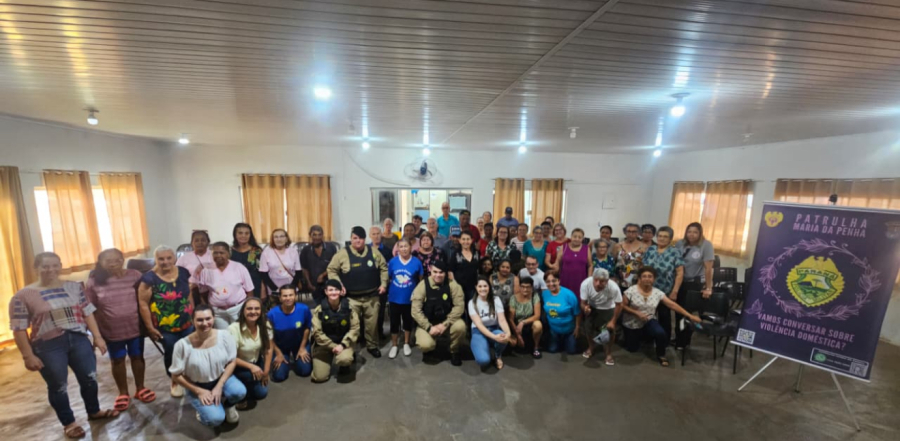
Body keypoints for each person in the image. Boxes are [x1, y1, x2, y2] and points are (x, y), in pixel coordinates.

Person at [11, 252, 120, 439]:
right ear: (36, 268)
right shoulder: (23, 296)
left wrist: (97, 337)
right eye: (45, 266)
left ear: (60, 266)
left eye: (55, 265)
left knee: (90, 378)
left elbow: (87, 313)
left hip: (78, 339)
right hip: (48, 346)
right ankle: (69, 423)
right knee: (58, 386)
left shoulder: (74, 287)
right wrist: (27, 355)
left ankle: (94, 411)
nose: (51, 270)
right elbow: (19, 329)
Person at [85, 249, 150, 411]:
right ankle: (123, 392)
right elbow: (88, 308)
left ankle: (140, 388)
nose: (113, 263)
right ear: (100, 263)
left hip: (135, 326)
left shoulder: (134, 275)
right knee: (117, 360)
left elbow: (145, 297)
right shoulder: (94, 281)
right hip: (111, 329)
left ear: (123, 259)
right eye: (108, 261)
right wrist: (96, 334)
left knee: (137, 357)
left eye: (117, 260)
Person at [170, 305, 246, 427]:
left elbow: (232, 361)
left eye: (208, 318)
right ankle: (203, 412)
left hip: (221, 378)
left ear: (214, 318)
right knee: (215, 419)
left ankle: (228, 406)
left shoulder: (225, 336)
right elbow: (176, 375)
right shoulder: (182, 345)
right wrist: (198, 391)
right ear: (192, 321)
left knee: (239, 392)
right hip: (197, 384)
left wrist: (219, 385)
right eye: (200, 320)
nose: (205, 323)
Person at [139, 245, 194, 398]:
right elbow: (143, 304)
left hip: (186, 322)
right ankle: (175, 380)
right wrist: (149, 327)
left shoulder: (183, 272)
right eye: (161, 259)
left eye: (169, 258)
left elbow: (188, 294)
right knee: (171, 352)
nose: (165, 262)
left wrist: (193, 314)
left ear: (174, 258)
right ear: (155, 259)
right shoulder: (149, 278)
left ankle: (188, 377)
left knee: (188, 351)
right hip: (164, 325)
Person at [327, 226, 388, 358]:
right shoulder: (342, 254)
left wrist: (383, 284)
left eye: (360, 238)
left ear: (365, 239)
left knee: (371, 325)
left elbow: (384, 268)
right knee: (352, 326)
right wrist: (338, 285)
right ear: (351, 239)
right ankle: (350, 349)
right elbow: (331, 269)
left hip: (372, 297)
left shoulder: (374, 252)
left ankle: (372, 346)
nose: (358, 241)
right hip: (351, 298)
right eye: (355, 238)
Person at [621, 267, 700, 367]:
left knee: (660, 333)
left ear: (654, 279)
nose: (647, 279)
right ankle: (635, 337)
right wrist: (637, 313)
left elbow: (672, 305)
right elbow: (622, 306)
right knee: (632, 349)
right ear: (639, 278)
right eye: (644, 276)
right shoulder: (630, 291)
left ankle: (661, 354)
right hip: (632, 322)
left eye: (650, 276)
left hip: (649, 320)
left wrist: (690, 315)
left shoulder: (657, 292)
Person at [411, 261, 467, 366]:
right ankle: (429, 350)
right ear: (430, 271)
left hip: (446, 322)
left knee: (460, 327)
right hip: (427, 323)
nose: (438, 275)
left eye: (441, 272)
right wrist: (428, 327)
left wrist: (445, 324)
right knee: (426, 345)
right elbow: (415, 310)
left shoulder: (453, 285)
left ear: (445, 273)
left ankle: (454, 351)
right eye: (435, 272)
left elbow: (459, 307)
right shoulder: (422, 286)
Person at [674, 222, 715, 349]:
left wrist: (708, 287)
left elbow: (708, 269)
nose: (691, 234)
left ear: (700, 233)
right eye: (689, 231)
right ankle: (678, 337)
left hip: (693, 284)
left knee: (687, 313)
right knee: (678, 313)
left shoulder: (706, 245)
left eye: (695, 232)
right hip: (680, 282)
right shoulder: (680, 243)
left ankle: (684, 341)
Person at [311, 280, 360, 383]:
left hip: (343, 343)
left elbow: (355, 328)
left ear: (341, 291)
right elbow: (317, 333)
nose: (333, 292)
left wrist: (342, 345)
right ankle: (324, 360)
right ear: (326, 292)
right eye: (330, 290)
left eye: (336, 290)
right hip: (324, 345)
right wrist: (333, 346)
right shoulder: (319, 310)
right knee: (320, 378)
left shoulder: (349, 308)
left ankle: (345, 362)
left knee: (344, 359)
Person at [197, 242, 255, 329]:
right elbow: (203, 293)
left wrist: (248, 308)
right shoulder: (206, 270)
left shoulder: (239, 267)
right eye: (215, 253)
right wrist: (209, 309)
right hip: (218, 312)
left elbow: (249, 290)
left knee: (240, 335)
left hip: (238, 309)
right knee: (223, 337)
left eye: (222, 252)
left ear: (228, 254)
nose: (218, 255)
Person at [228, 297, 273, 409]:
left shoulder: (265, 325)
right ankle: (236, 387)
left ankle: (248, 384)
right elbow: (230, 357)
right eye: (249, 309)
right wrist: (251, 367)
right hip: (237, 366)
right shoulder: (233, 329)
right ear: (243, 311)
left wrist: (266, 371)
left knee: (261, 394)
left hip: (257, 361)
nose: (253, 312)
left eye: (257, 308)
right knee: (249, 377)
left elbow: (268, 349)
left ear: (261, 311)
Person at [641, 226, 684, 342]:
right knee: (648, 314)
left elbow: (680, 273)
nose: (662, 239)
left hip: (665, 290)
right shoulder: (650, 250)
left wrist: (675, 291)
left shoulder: (675, 252)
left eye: (665, 237)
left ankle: (664, 340)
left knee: (664, 315)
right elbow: (643, 268)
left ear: (670, 239)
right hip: (648, 289)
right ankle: (648, 338)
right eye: (660, 236)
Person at [387, 238, 425, 359]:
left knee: (407, 322)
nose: (403, 249)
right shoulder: (392, 262)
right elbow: (388, 278)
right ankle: (394, 345)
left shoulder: (416, 262)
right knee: (394, 322)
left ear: (410, 248)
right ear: (398, 248)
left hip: (410, 299)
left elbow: (420, 280)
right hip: (394, 298)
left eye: (406, 246)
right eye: (401, 246)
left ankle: (406, 343)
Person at [268, 285, 313, 382]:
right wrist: (278, 353)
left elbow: (307, 328)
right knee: (279, 376)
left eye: (291, 295)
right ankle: (286, 359)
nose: (288, 298)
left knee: (305, 371)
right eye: (285, 296)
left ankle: (297, 359)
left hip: (299, 344)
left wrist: (302, 348)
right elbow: (268, 336)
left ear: (295, 296)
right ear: (280, 298)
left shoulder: (304, 309)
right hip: (280, 347)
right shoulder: (272, 314)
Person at [580, 269, 622, 364]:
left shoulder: (613, 287)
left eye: (602, 281)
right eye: (596, 280)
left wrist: (613, 321)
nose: (598, 283)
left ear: (607, 281)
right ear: (593, 278)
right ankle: (591, 347)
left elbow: (619, 304)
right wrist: (585, 308)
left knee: (608, 332)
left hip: (608, 309)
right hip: (593, 307)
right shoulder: (585, 284)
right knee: (588, 329)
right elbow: (583, 303)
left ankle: (608, 353)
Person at [469, 277, 511, 370]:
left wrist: (508, 333)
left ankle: (497, 355)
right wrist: (494, 337)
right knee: (483, 361)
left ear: (489, 287)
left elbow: (502, 320)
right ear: (476, 287)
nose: (483, 289)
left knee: (504, 337)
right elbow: (479, 324)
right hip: (478, 331)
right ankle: (481, 345)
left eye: (485, 286)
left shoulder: (496, 300)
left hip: (493, 328)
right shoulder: (472, 303)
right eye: (480, 286)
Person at [541, 271, 581, 355]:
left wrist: (577, 327)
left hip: (569, 330)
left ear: (559, 281)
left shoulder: (569, 295)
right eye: (548, 281)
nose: (551, 284)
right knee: (552, 350)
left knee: (571, 351)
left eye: (554, 280)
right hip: (553, 330)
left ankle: (567, 340)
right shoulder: (544, 294)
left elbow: (577, 313)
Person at [259, 228, 302, 298]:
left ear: (286, 238)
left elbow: (298, 271)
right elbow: (263, 274)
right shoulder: (266, 252)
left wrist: (291, 287)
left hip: (290, 286)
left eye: (282, 236)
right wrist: (275, 289)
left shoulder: (293, 251)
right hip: (273, 287)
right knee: (275, 308)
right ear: (272, 239)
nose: (279, 239)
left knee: (290, 308)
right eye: (276, 237)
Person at [300, 225, 338, 304]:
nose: (317, 237)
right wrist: (309, 284)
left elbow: (334, 264)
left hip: (330, 282)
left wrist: (323, 275)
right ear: (310, 235)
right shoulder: (306, 250)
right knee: (319, 307)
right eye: (314, 235)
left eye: (319, 235)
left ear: (322, 235)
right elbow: (305, 269)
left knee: (331, 305)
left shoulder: (331, 247)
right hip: (314, 285)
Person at [507, 276, 544, 358]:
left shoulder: (535, 296)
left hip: (529, 322)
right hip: (516, 326)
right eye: (523, 287)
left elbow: (537, 315)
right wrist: (518, 335)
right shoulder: (513, 298)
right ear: (519, 287)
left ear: (531, 287)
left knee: (538, 325)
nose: (525, 289)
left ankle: (536, 347)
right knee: (516, 347)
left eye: (528, 287)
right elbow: (510, 319)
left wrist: (523, 322)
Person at [177, 230, 213, 304]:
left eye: (203, 240)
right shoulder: (183, 259)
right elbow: (177, 276)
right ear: (192, 243)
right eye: (196, 240)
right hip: (192, 292)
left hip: (212, 290)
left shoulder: (215, 255)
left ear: (208, 242)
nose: (200, 242)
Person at [551, 227, 592, 294]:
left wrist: (589, 280)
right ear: (571, 237)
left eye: (579, 237)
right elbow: (557, 263)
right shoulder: (563, 247)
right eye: (575, 236)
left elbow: (590, 265)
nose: (576, 239)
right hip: (565, 280)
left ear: (582, 239)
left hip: (581, 280)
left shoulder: (586, 249)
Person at [369, 225, 392, 340]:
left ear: (381, 235)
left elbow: (389, 268)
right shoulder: (365, 249)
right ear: (370, 236)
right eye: (373, 234)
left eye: (378, 233)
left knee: (381, 311)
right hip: (368, 286)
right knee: (369, 312)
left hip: (382, 285)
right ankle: (368, 335)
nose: (376, 236)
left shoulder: (387, 250)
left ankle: (380, 331)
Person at [448, 230, 481, 308]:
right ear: (459, 240)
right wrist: (455, 286)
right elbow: (450, 271)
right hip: (459, 288)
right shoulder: (455, 254)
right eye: (463, 239)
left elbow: (479, 269)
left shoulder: (476, 253)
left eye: (468, 239)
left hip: (473, 288)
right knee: (460, 309)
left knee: (473, 308)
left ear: (472, 240)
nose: (466, 241)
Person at [231, 223, 264, 300]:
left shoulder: (256, 251)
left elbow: (262, 272)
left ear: (250, 235)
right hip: (236, 286)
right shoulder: (229, 251)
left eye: (247, 233)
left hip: (255, 285)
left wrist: (263, 290)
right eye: (240, 233)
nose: (243, 236)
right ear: (235, 235)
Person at [613, 223, 648, 289]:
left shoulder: (644, 247)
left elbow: (645, 266)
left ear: (638, 233)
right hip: (619, 281)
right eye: (628, 231)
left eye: (634, 232)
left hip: (636, 282)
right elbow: (613, 262)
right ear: (625, 232)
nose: (630, 234)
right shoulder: (618, 246)